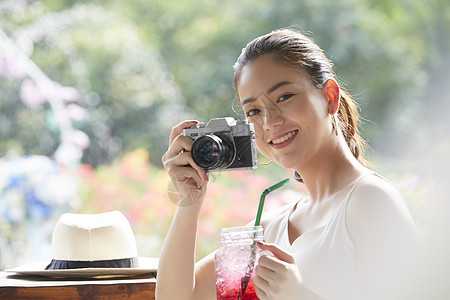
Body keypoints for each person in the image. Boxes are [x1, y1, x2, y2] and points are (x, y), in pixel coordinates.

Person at [156, 28, 417, 300]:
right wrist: (189, 202)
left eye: (284, 97)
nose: (269, 122)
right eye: (254, 111)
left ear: (330, 96)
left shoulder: (370, 200)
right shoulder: (269, 228)